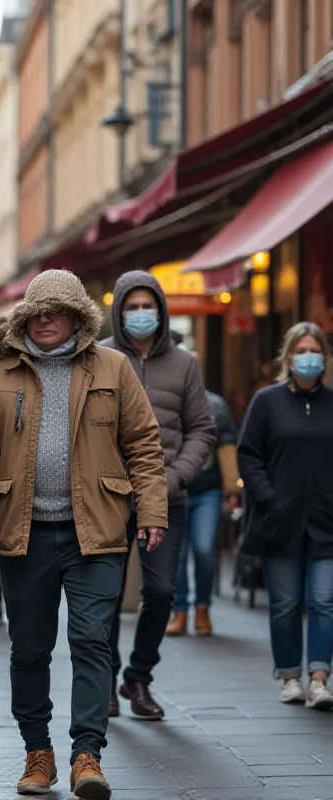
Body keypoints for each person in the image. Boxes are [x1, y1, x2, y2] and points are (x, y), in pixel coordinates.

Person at [0, 270, 168, 799]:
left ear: (78, 316)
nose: (44, 319)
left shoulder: (113, 367)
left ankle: (86, 755)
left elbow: (143, 443)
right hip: (23, 533)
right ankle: (38, 753)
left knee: (92, 641)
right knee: (29, 649)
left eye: (56, 310)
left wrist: (152, 511)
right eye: (36, 311)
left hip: (95, 530)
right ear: (25, 316)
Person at [101, 270, 215, 721]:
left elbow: (202, 429)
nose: (141, 314)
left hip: (167, 498)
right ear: (119, 311)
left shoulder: (185, 364)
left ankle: (139, 677)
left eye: (149, 306)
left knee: (163, 591)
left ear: (162, 311)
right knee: (104, 595)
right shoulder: (100, 357)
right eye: (133, 306)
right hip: (108, 498)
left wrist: (176, 475)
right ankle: (105, 681)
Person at [237, 322, 333, 709]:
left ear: (324, 357)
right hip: (280, 520)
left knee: (324, 600)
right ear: (289, 357)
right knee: (286, 603)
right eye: (301, 351)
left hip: (326, 522)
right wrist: (269, 497)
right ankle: (290, 676)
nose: (308, 358)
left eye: (315, 351)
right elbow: (248, 453)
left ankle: (320, 678)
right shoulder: (267, 401)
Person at [167, 364, 240, 637]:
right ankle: (180, 610)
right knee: (176, 554)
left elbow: (227, 447)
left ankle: (202, 607)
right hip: (174, 489)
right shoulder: (170, 400)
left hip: (207, 491)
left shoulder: (216, 405)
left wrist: (232, 489)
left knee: (205, 550)